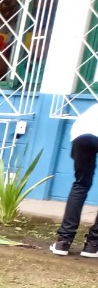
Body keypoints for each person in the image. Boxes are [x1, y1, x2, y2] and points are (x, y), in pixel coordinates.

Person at [51, 102, 98, 257]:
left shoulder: (92, 109)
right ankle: (93, 245)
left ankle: (63, 242)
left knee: (80, 185)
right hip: (84, 134)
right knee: (81, 185)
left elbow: (74, 153)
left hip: (81, 135)